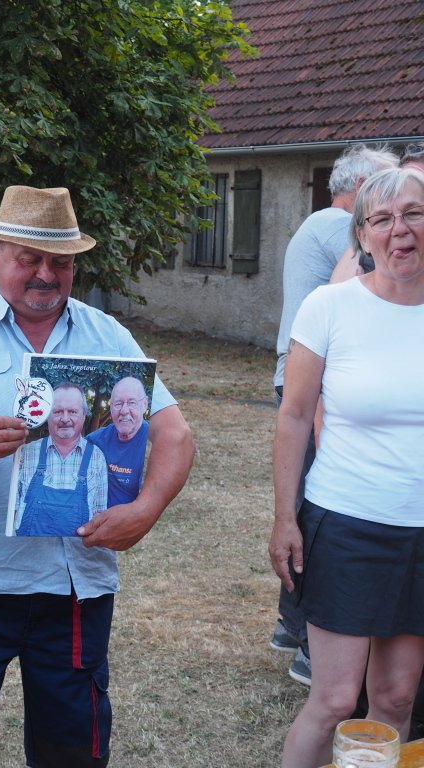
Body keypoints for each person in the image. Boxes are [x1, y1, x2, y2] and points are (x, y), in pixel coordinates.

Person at [0, 185, 195, 767]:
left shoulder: (107, 337)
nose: (46, 275)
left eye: (61, 262)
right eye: (30, 258)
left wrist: (146, 510)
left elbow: (176, 435)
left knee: (72, 752)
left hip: (74, 583)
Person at [270, 166, 424, 767]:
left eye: (414, 213)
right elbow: (293, 416)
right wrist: (285, 519)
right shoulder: (329, 306)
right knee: (334, 699)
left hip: (420, 535)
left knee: (396, 696)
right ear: (361, 236)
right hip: (347, 526)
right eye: (382, 219)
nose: (400, 229)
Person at [269, 143, 398, 685]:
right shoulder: (335, 227)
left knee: (305, 502)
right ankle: (309, 645)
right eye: (387, 188)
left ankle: (288, 626)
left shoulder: (316, 224)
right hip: (315, 380)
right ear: (362, 192)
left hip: (305, 373)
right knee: (315, 509)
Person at [13, 382, 108, 537]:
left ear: (83, 416)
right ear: (47, 415)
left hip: (76, 550)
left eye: (72, 411)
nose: (65, 418)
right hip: (29, 548)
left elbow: (99, 514)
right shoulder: (26, 453)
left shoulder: (97, 458)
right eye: (57, 411)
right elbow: (13, 510)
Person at [86, 376, 150, 508]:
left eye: (132, 403)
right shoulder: (95, 441)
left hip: (136, 516)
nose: (124, 411)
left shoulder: (153, 440)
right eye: (118, 404)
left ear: (144, 405)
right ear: (111, 407)